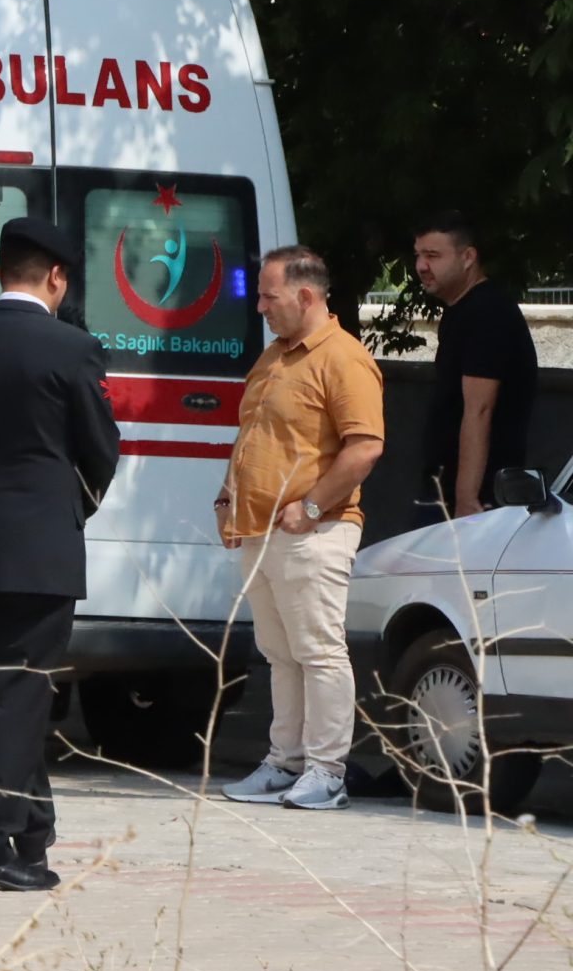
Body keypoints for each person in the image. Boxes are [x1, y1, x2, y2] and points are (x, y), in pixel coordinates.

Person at [0, 217, 121, 892]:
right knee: (18, 694)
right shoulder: (73, 349)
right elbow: (102, 450)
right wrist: (69, 509)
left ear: (0, 271)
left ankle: (31, 841)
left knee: (8, 693)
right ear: (58, 277)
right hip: (41, 545)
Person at [216, 246, 385, 813]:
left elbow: (365, 447)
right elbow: (251, 437)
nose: (259, 305)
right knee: (279, 652)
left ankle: (327, 771)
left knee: (319, 651)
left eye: (268, 295)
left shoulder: (344, 358)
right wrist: (227, 496)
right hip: (262, 531)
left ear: (305, 296)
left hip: (315, 531)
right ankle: (284, 761)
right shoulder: (273, 358)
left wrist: (310, 508)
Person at [413, 214, 538, 521]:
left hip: (477, 500)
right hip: (447, 491)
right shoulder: (461, 311)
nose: (421, 266)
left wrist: (467, 497)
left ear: (468, 257)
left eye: (433, 255)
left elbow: (479, 410)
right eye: (418, 255)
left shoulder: (487, 314)